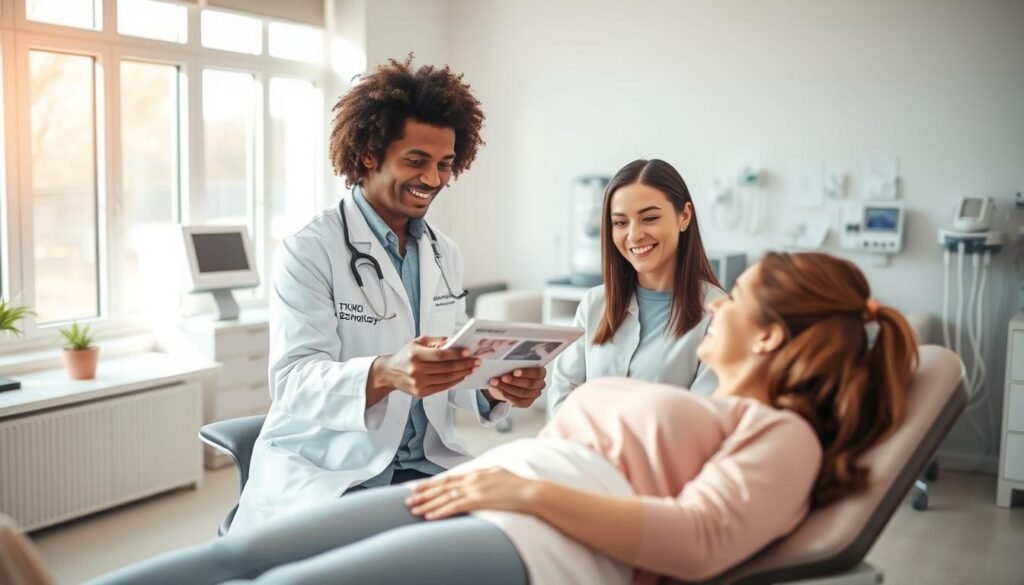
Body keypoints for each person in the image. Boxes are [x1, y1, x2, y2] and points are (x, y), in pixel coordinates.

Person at [91, 252, 918, 585]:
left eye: (734, 299)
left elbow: (698, 543)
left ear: (769, 334)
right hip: (502, 486)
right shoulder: (716, 407)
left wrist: (526, 494)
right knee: (234, 553)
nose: (718, 306)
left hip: (545, 532)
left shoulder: (785, 434)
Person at [230, 57, 547, 532]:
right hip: (331, 468)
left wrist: (494, 386)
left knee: (522, 532)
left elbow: (449, 368)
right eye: (416, 161)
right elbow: (292, 381)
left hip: (423, 467)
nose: (434, 180)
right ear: (368, 155)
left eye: (444, 164)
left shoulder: (444, 253)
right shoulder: (310, 249)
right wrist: (385, 373)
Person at [548, 158, 725, 413]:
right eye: (620, 223)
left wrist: (592, 411)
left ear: (684, 216)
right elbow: (561, 403)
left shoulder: (718, 316)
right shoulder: (594, 304)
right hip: (578, 451)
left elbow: (698, 421)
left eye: (650, 218)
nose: (634, 235)